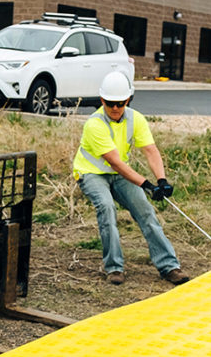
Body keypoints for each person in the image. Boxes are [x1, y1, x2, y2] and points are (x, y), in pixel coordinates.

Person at [72, 71, 190, 286]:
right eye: (109, 103)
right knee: (107, 208)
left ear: (128, 100)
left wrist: (161, 180)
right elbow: (116, 162)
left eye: (119, 103)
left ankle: (169, 266)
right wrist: (146, 184)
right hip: (91, 173)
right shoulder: (94, 124)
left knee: (145, 211)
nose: (115, 108)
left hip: (119, 174)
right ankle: (114, 268)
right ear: (102, 101)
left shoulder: (136, 119)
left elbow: (150, 150)